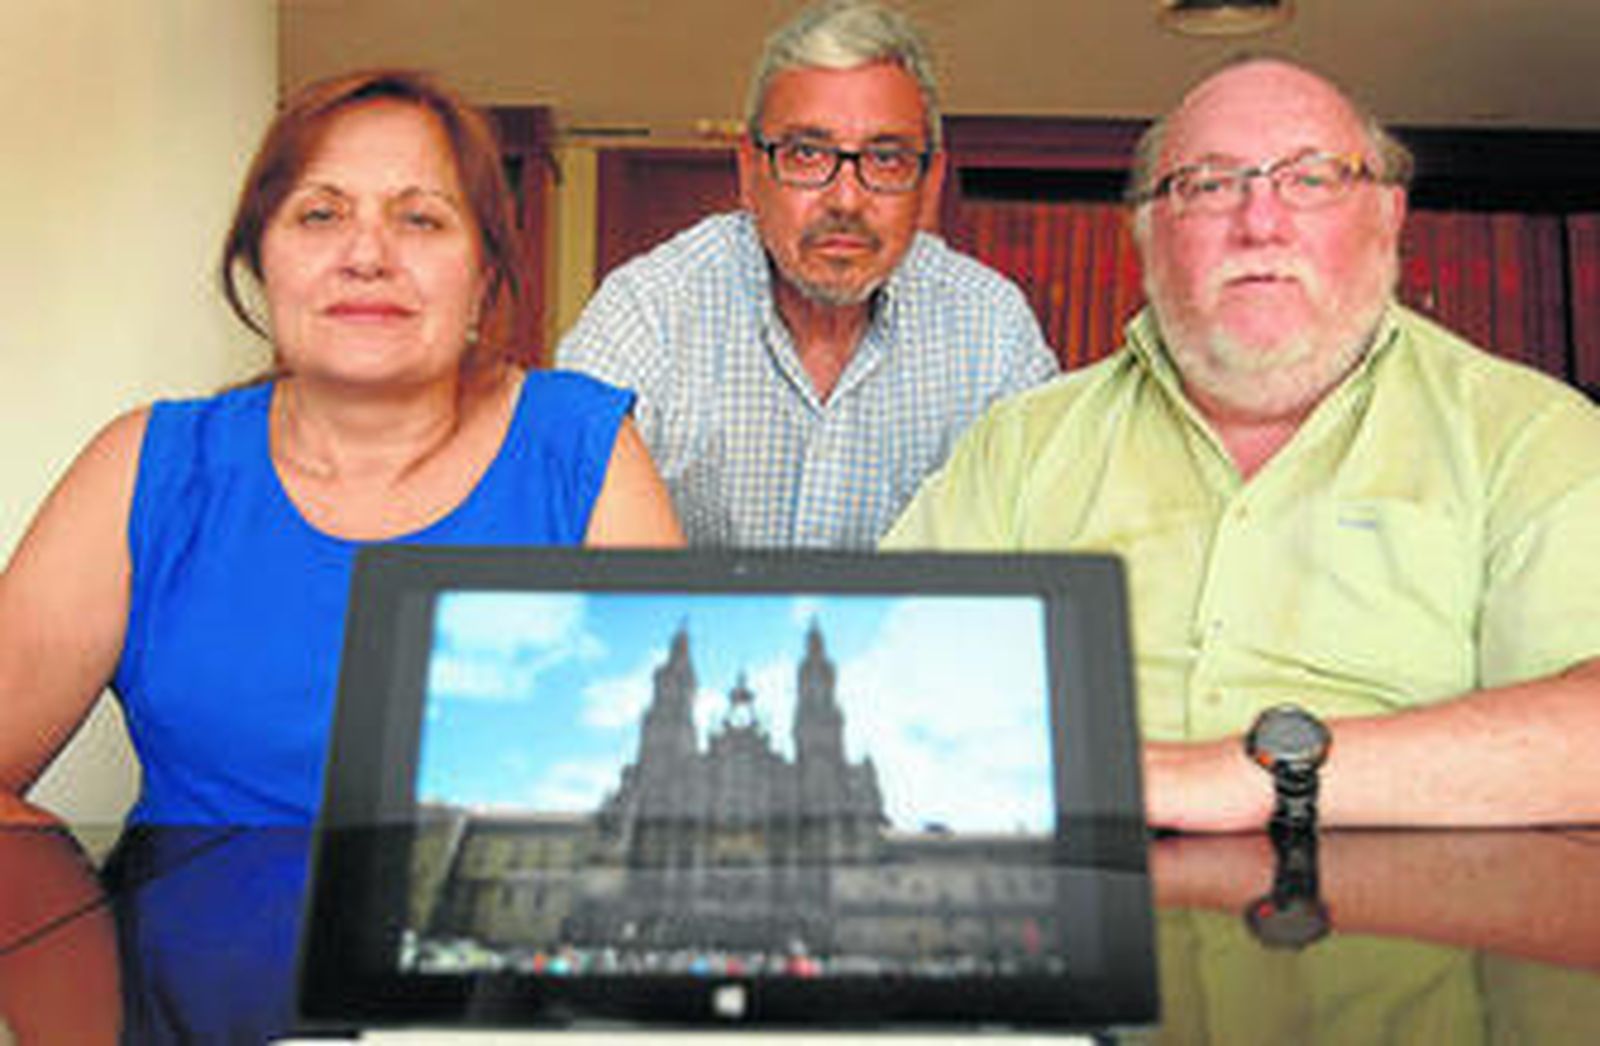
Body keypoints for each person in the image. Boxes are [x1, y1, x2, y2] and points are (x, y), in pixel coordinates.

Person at [885, 58, 1600, 830]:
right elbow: (883, 689)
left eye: (1312, 179)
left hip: (1406, 901)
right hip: (1076, 884)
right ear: (1149, 232)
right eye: (1211, 184)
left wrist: (1238, 778)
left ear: (1388, 217)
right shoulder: (1018, 446)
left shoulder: (1529, 436)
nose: (1261, 223)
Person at [0, 69, 683, 826]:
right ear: (261, 258)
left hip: (489, 905)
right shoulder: (146, 466)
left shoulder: (582, 450)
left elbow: (666, 805)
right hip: (187, 908)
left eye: (420, 220)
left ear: (484, 272)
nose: (366, 255)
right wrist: (74, 894)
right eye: (320, 214)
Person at [556, 0, 1058, 548]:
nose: (846, 199)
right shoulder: (648, 313)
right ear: (750, 172)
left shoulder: (992, 331)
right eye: (807, 154)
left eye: (886, 158)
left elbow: (1044, 546)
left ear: (930, 183)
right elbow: (560, 524)